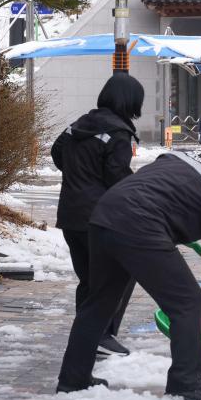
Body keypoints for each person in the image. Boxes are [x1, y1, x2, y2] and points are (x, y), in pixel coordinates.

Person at [56, 135, 201, 400]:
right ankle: (187, 384)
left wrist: (176, 219)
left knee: (99, 303)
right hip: (140, 223)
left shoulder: (186, 156)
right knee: (188, 302)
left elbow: (165, 188)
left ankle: (72, 379)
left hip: (105, 216)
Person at [51, 74, 144, 356]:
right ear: (130, 101)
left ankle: (86, 335)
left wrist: (79, 175)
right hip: (99, 217)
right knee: (117, 275)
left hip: (70, 215)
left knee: (89, 279)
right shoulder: (118, 133)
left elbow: (57, 153)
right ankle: (102, 336)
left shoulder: (77, 125)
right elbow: (117, 176)